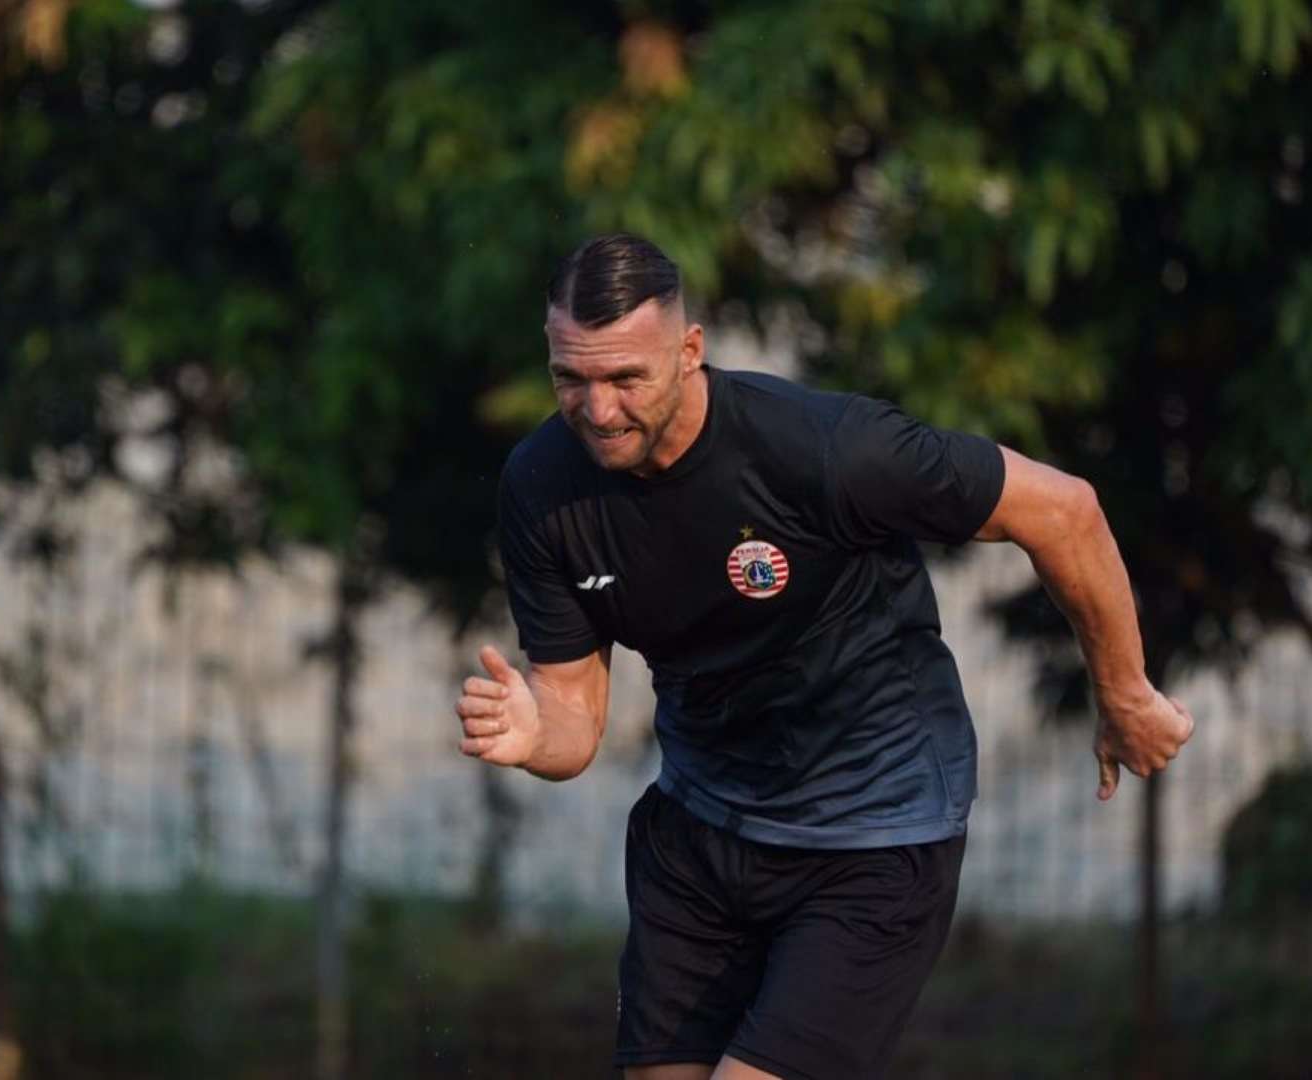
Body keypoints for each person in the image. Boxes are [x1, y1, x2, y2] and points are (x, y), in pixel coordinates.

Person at [455, 233, 1194, 1080]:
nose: (597, 409)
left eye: (627, 378)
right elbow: (574, 722)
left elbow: (1063, 510)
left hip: (873, 836)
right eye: (570, 379)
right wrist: (529, 732)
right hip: (702, 829)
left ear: (690, 352)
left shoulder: (826, 450)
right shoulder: (543, 486)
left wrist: (1126, 692)